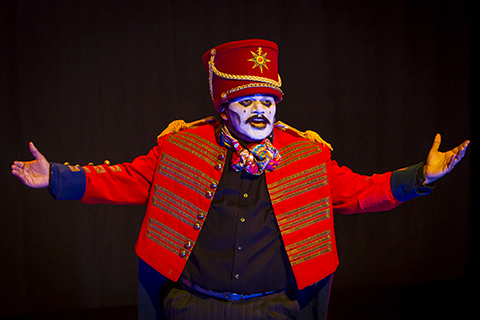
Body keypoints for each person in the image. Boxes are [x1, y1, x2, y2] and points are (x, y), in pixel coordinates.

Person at [11, 39, 469, 320]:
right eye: (247, 101)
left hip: (275, 308)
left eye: (267, 102)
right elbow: (125, 180)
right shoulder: (183, 147)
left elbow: (358, 192)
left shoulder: (305, 154)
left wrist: (420, 177)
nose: (259, 111)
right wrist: (56, 177)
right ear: (224, 107)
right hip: (194, 307)